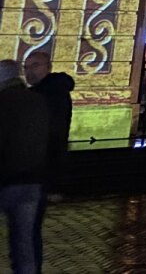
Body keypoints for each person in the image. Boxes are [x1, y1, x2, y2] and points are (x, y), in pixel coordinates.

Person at [24, 51, 73, 270]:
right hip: (39, 173)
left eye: (35, 65)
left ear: (48, 67)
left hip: (37, 173)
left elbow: (52, 138)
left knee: (28, 231)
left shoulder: (47, 96)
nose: (29, 71)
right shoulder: (53, 92)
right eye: (26, 67)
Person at [0, 59, 49, 274]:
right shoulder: (38, 100)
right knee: (24, 243)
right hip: (32, 180)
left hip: (5, 179)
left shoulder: (3, 101)